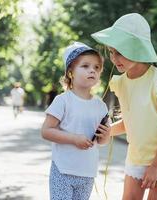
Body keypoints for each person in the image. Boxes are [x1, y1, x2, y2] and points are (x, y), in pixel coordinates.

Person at [91, 13, 157, 200]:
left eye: (119, 52)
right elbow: (131, 122)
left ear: (137, 49)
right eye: (111, 52)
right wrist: (107, 131)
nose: (114, 58)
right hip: (138, 153)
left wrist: (156, 166)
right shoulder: (121, 82)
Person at [41, 42, 111, 200]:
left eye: (97, 67)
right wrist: (74, 139)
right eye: (85, 66)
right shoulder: (63, 100)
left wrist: (106, 135)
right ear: (70, 71)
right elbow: (46, 131)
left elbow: (102, 141)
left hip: (87, 173)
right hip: (63, 170)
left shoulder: (101, 106)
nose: (92, 70)